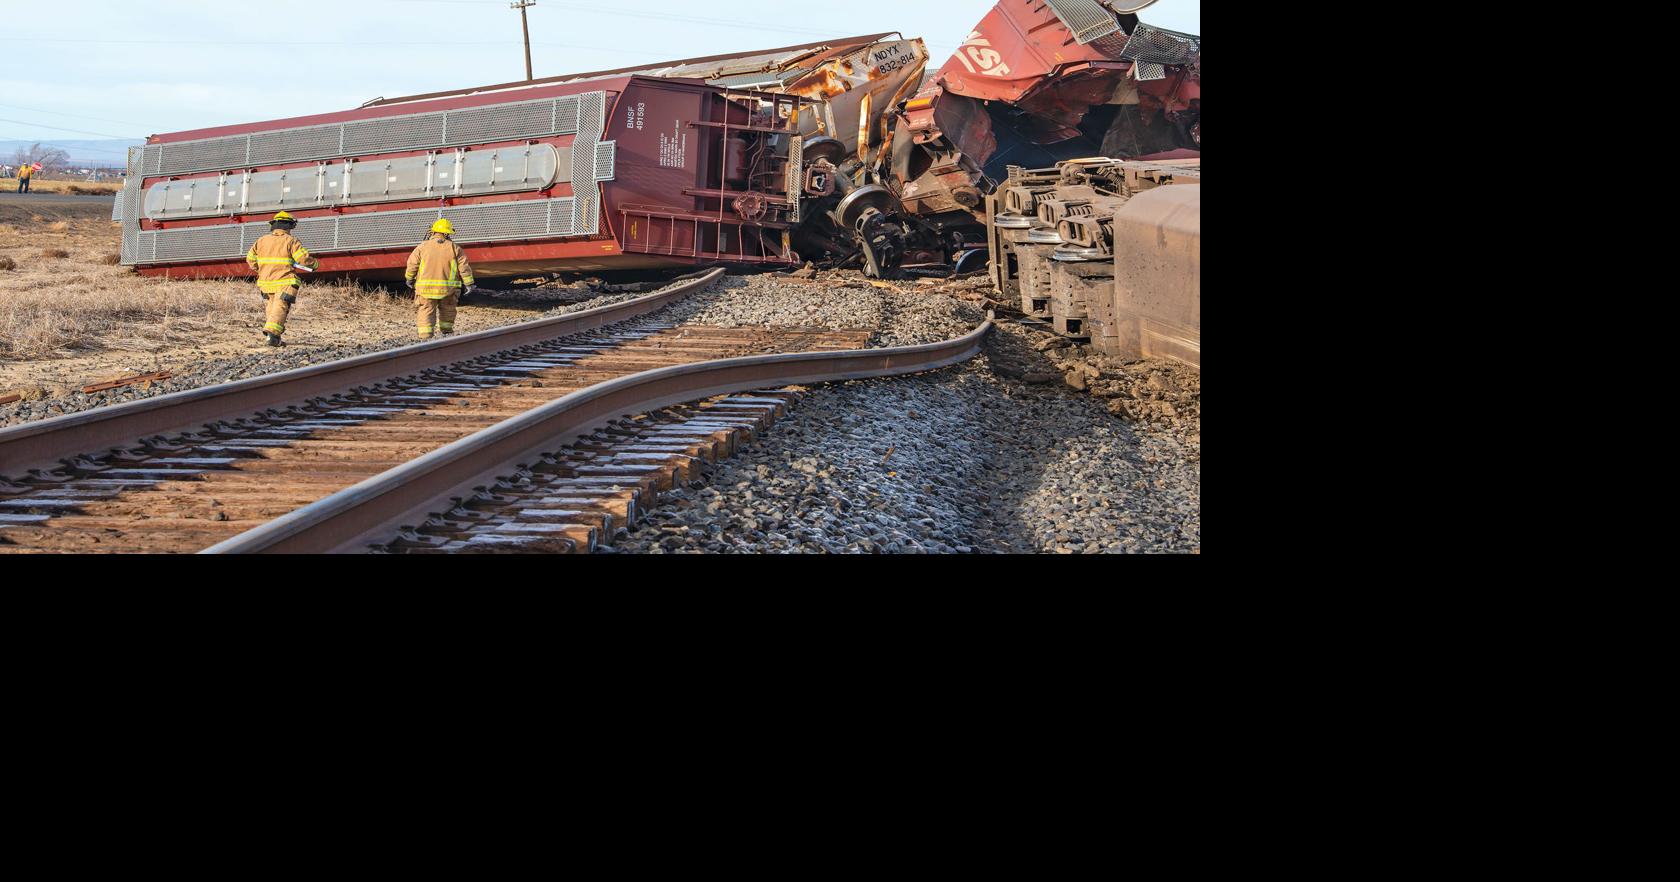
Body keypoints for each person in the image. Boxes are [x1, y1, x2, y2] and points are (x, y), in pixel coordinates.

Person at [244, 211, 318, 347]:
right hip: (285, 281)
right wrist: (314, 264)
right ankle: (272, 334)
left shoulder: (261, 241)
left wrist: (262, 269)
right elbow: (303, 259)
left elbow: (250, 259)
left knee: (272, 307)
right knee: (281, 306)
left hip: (265, 282)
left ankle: (273, 336)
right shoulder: (290, 241)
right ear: (288, 226)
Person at [404, 218, 476, 339]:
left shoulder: (422, 247)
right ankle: (446, 333)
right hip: (448, 289)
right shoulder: (455, 248)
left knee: (426, 310)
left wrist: (409, 279)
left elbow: (412, 265)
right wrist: (469, 284)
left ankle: (425, 336)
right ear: (447, 233)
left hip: (425, 289)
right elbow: (464, 268)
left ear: (433, 232)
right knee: (448, 309)